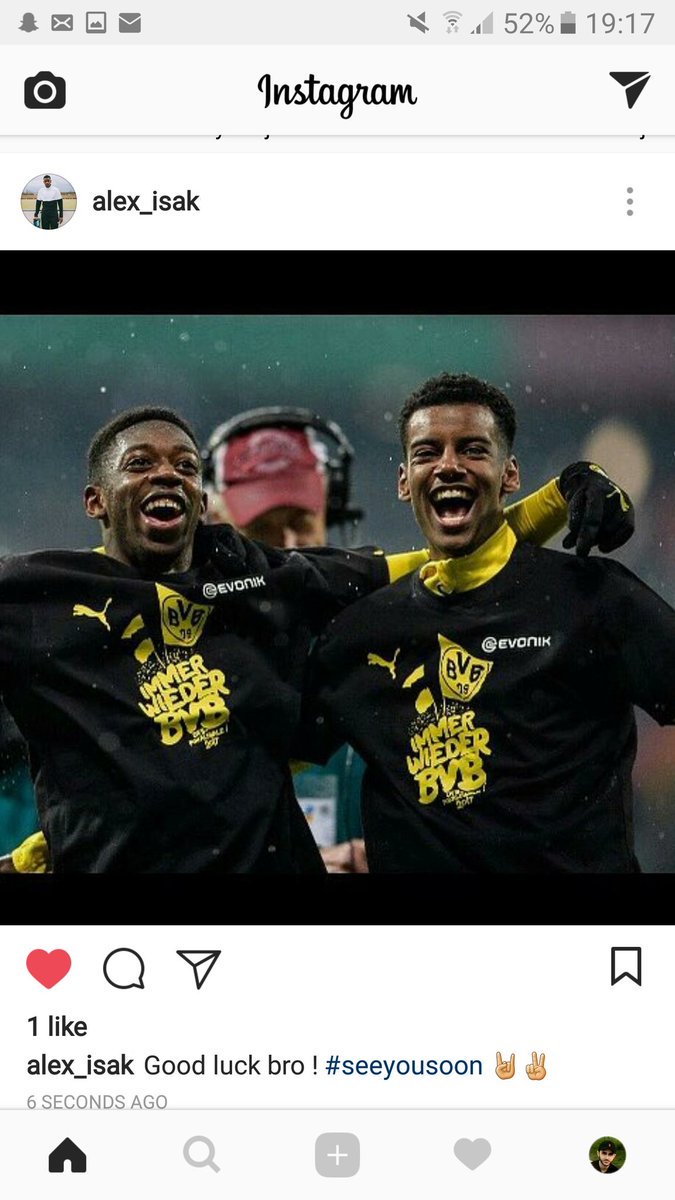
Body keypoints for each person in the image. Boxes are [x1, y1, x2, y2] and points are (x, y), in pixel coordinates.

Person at [1, 402, 634, 874]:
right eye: (140, 464)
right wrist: (38, 852)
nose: (291, 542)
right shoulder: (41, 601)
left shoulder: (290, 595)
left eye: (184, 466)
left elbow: (452, 560)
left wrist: (560, 496)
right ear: (96, 500)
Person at [298, 372, 673, 873]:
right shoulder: (360, 634)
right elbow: (247, 755)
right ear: (404, 481)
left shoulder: (592, 598)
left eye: (473, 449)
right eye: (428, 452)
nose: (449, 465)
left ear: (510, 474)